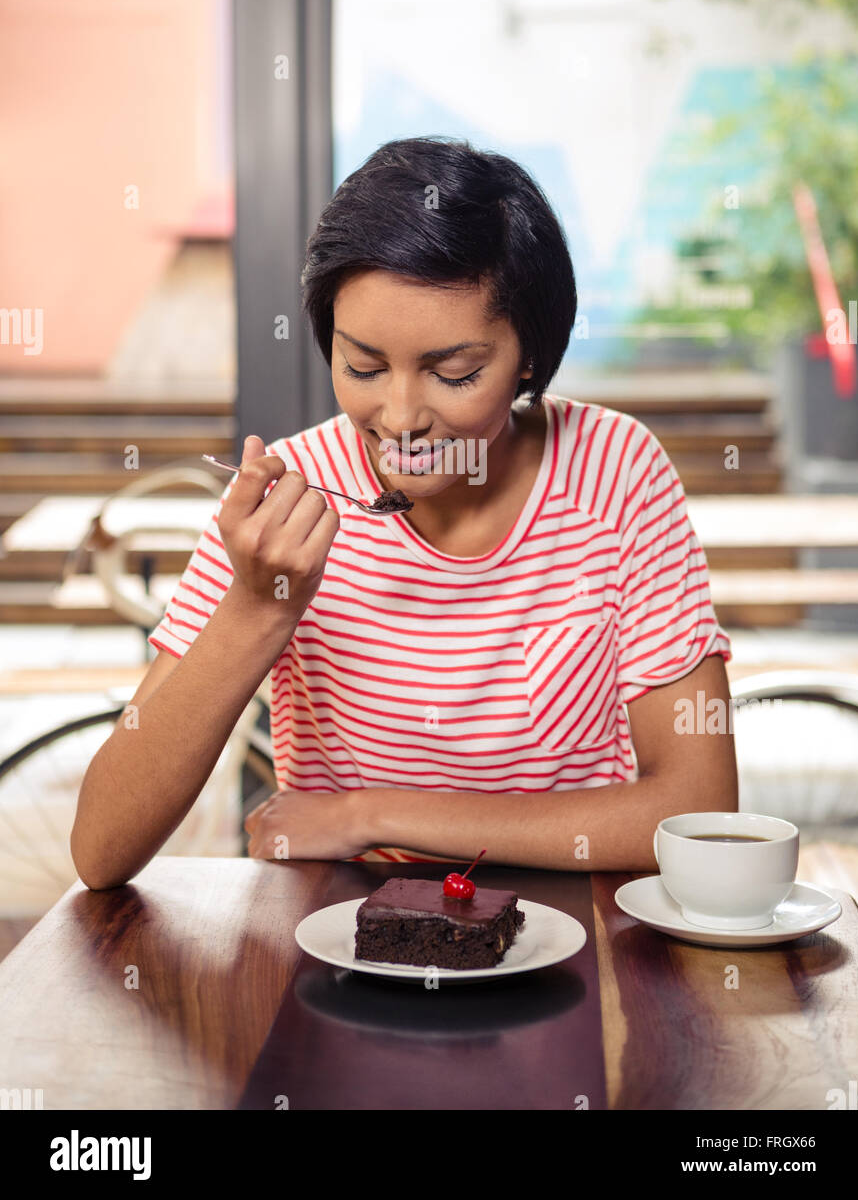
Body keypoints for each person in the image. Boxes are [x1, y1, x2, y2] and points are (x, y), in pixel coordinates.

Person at [71, 137, 736, 889]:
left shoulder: (616, 472)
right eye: (362, 366)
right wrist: (259, 606)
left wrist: (369, 814)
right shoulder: (291, 498)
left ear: (528, 355)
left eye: (455, 373)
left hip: (578, 937)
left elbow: (699, 810)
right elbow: (101, 849)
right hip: (342, 941)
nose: (399, 417)